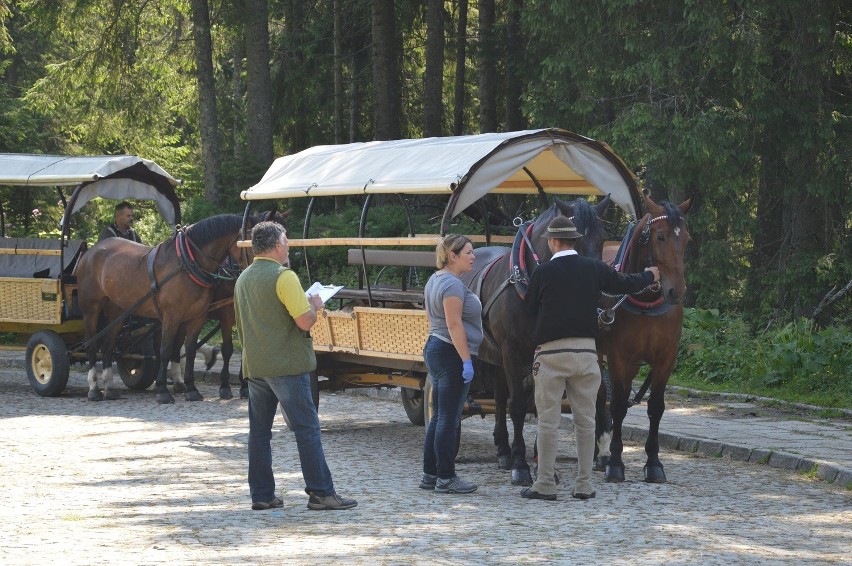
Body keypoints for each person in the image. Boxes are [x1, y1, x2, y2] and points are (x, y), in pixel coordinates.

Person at [521, 216, 660, 501]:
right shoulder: (594, 268)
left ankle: (545, 483)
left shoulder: (542, 272)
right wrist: (651, 276)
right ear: (576, 241)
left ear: (552, 242)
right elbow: (625, 284)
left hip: (550, 355)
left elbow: (529, 310)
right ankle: (584, 484)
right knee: (585, 421)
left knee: (548, 421)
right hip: (586, 354)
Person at [234, 221, 357, 511]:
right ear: (277, 246)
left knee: (259, 433)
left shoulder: (243, 278)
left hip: (256, 365)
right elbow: (304, 321)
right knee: (307, 429)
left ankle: (262, 495)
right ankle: (321, 493)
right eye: (286, 240)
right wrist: (315, 305)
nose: (288, 245)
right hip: (287, 365)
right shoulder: (284, 276)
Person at [420, 234, 483, 494]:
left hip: (437, 347)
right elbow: (454, 324)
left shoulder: (436, 279)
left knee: (439, 417)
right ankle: (446, 477)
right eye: (468, 252)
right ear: (452, 256)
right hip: (450, 351)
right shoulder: (452, 285)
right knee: (448, 417)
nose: (473, 256)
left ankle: (430, 474)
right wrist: (466, 360)